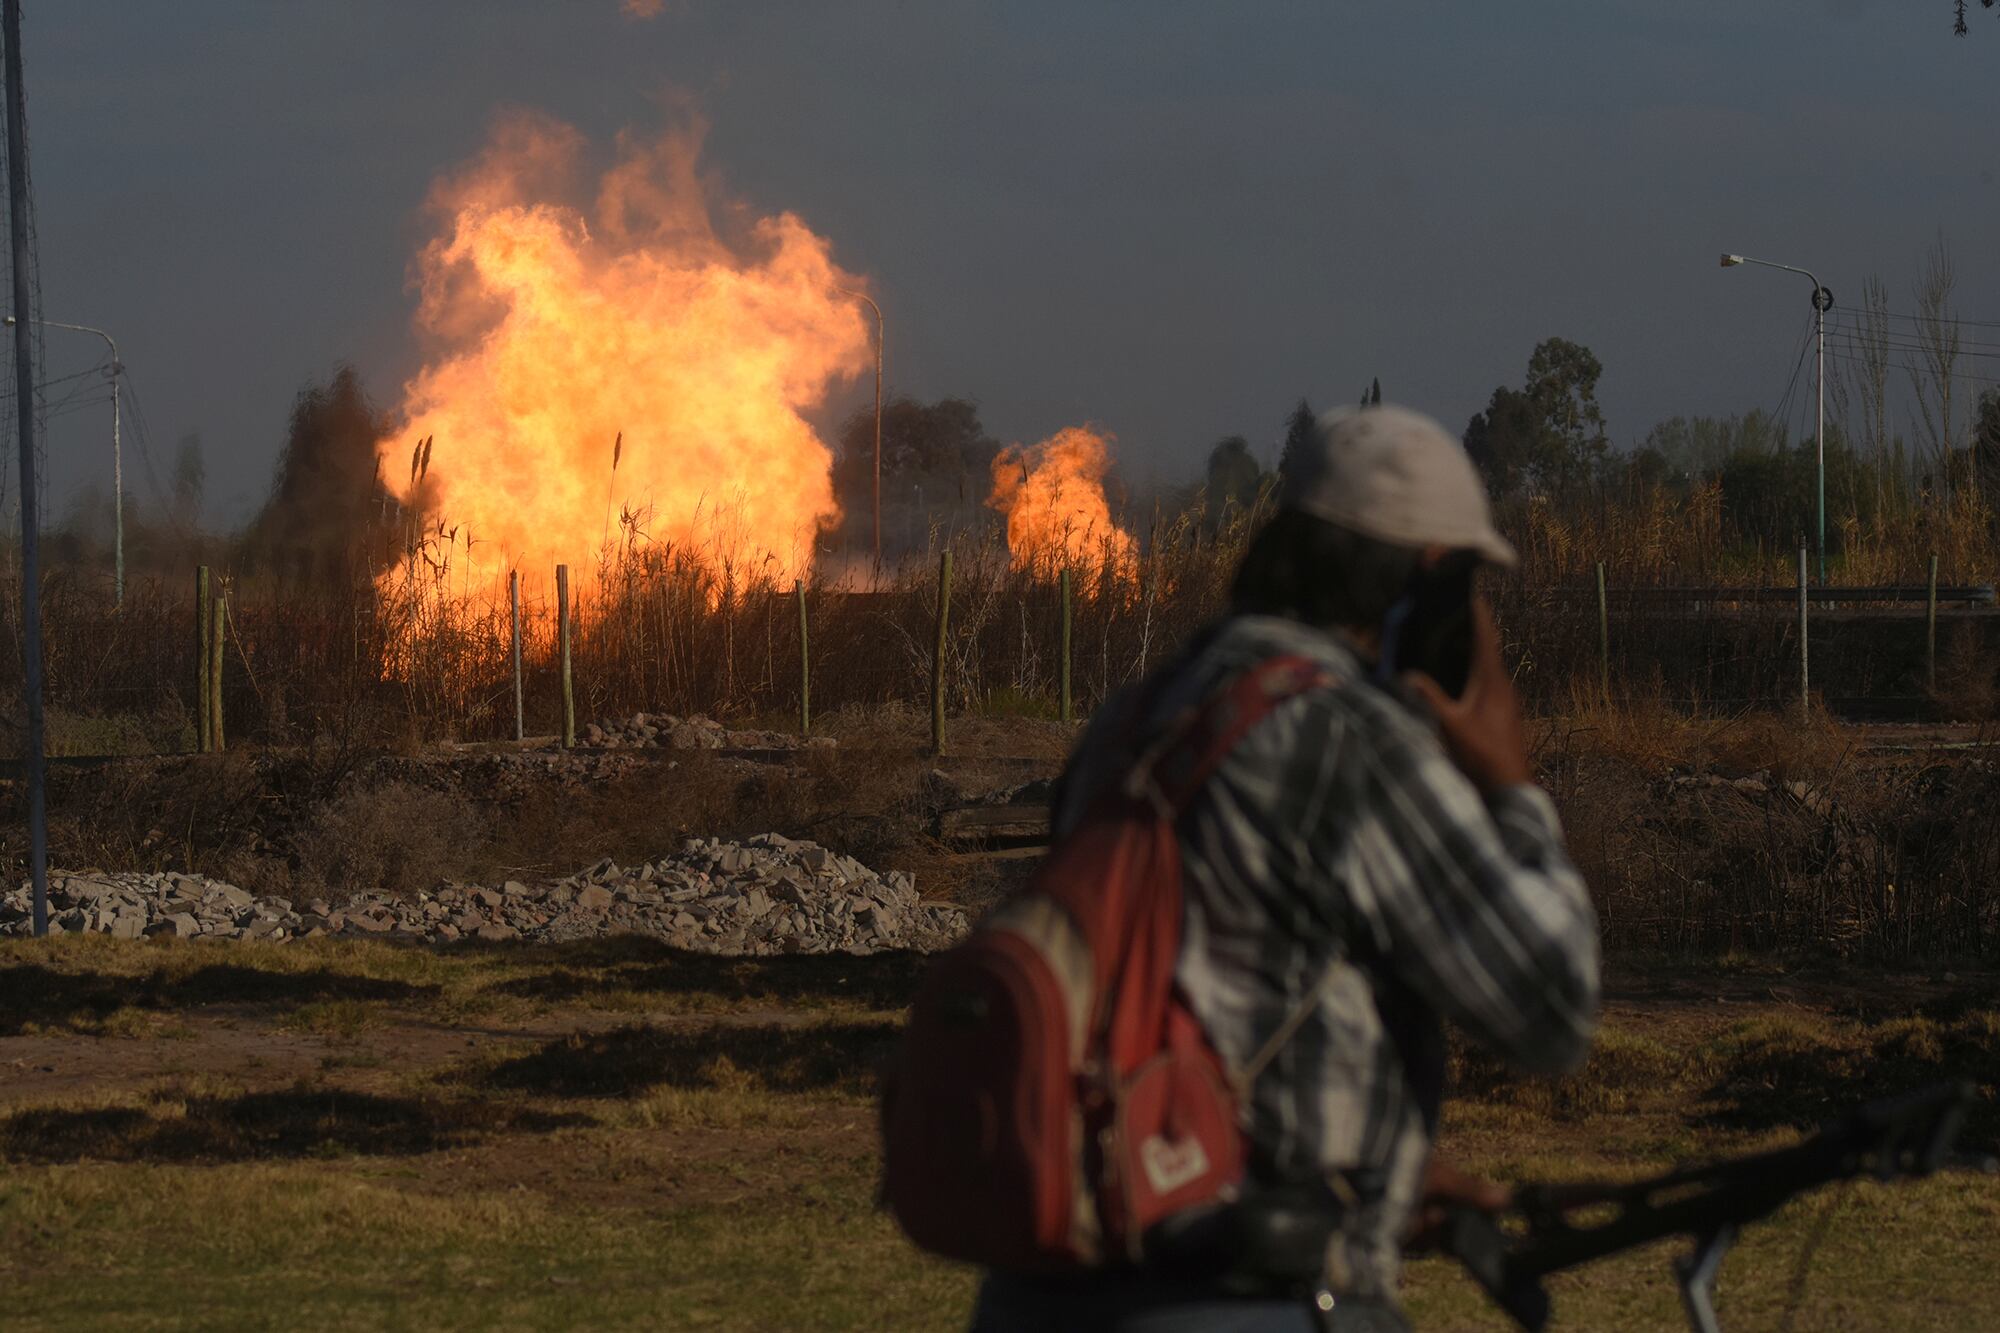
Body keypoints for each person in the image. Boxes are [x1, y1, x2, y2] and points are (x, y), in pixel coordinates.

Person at [968, 404, 1601, 1332]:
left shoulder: (1136, 719)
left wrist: (1374, 1166)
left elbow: (1204, 992)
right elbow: (1551, 1010)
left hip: (1048, 1289)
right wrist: (1511, 786)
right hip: (1245, 1294)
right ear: (1429, 581)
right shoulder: (1342, 735)